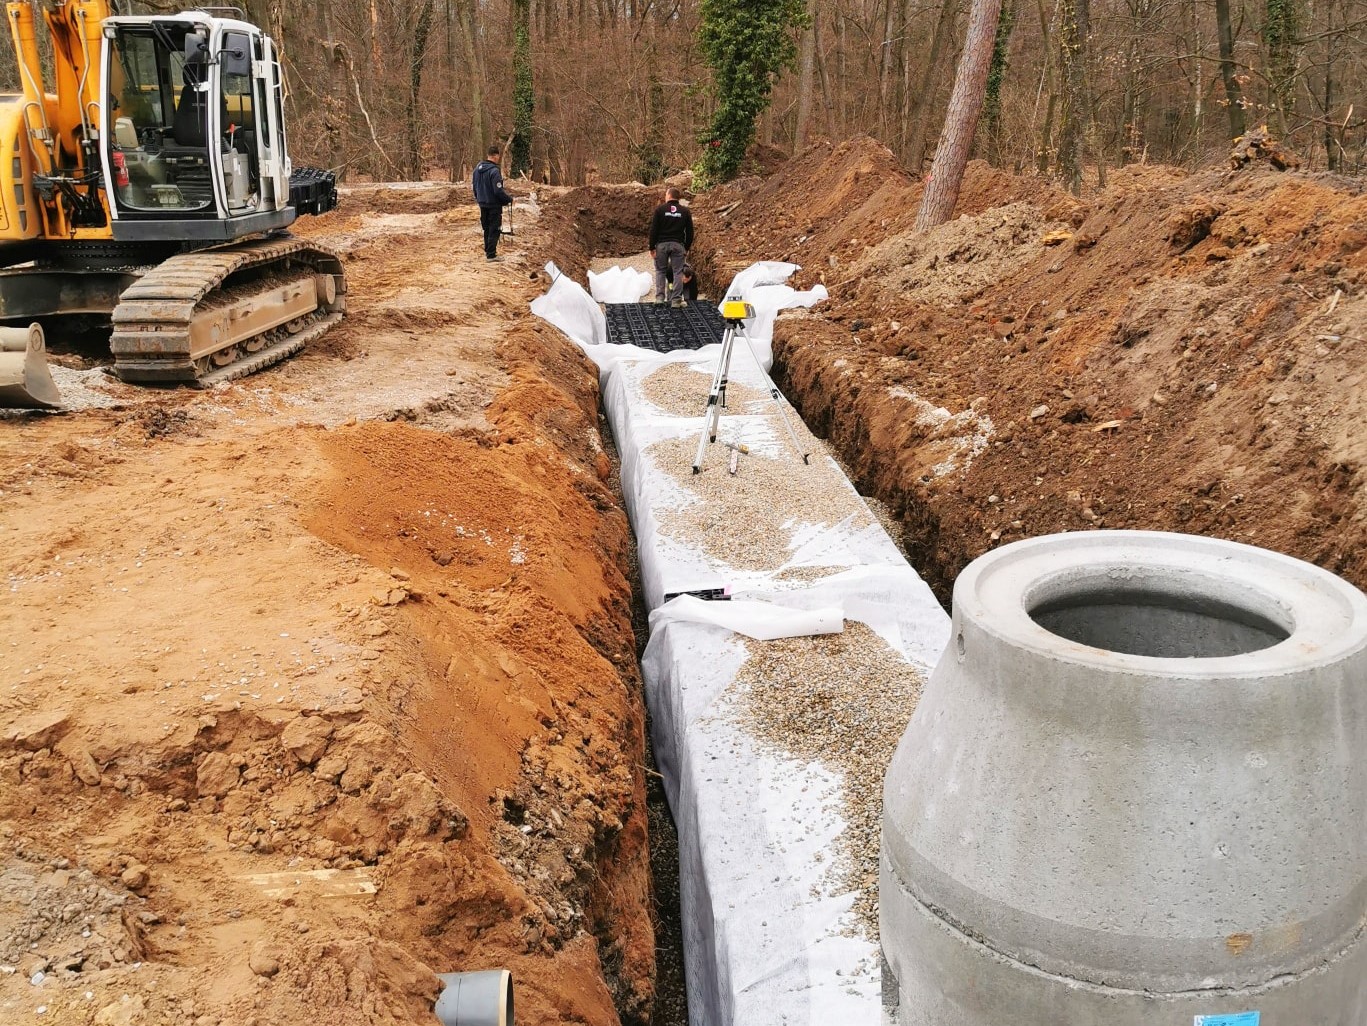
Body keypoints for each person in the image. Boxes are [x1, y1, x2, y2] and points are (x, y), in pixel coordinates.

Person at [648, 186, 694, 307]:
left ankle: (659, 298)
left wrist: (651, 247)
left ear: (668, 196)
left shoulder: (660, 210)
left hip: (661, 245)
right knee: (678, 272)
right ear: (678, 198)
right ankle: (676, 300)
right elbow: (690, 232)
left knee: (660, 271)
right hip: (678, 245)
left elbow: (653, 230)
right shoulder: (685, 211)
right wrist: (687, 247)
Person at [472, 145, 513, 261]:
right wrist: (508, 199)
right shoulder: (494, 171)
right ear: (496, 156)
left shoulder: (477, 169)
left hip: (482, 203)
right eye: (498, 156)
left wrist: (479, 198)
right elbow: (498, 190)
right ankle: (491, 254)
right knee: (494, 229)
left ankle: (488, 250)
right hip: (493, 205)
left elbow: (474, 187)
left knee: (486, 228)